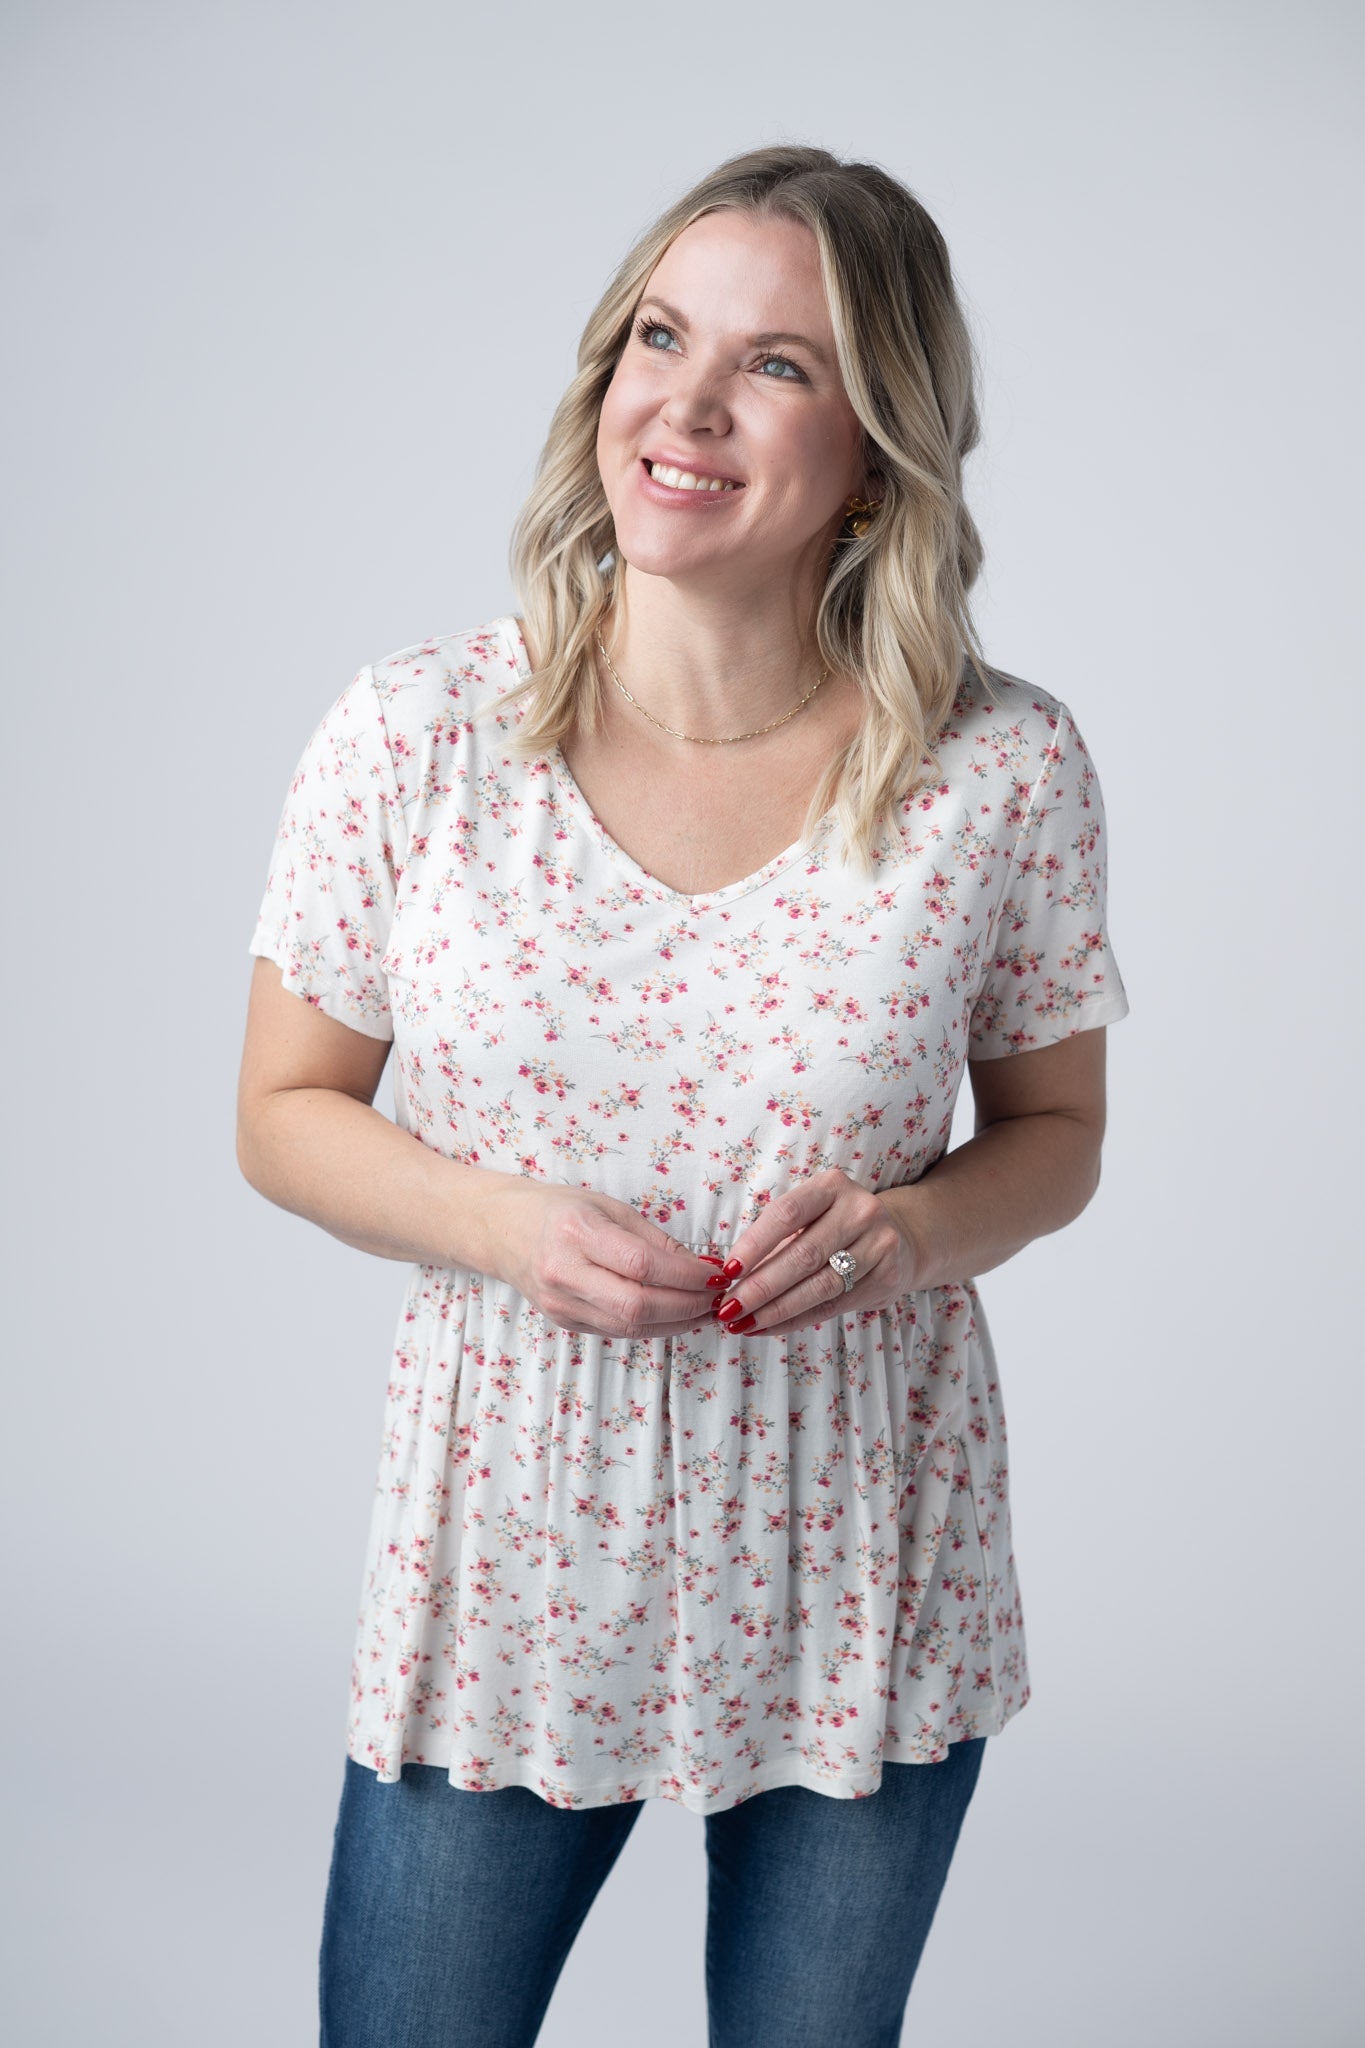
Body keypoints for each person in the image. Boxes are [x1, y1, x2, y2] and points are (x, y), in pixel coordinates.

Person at [237, 143, 1130, 2048]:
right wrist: (501, 1225)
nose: (687, 404)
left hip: (860, 1554)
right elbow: (284, 1109)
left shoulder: (1001, 770)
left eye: (774, 365)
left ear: (875, 453)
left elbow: (1056, 1139)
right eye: (660, 338)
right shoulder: (417, 738)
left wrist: (909, 1232)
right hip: (512, 1556)